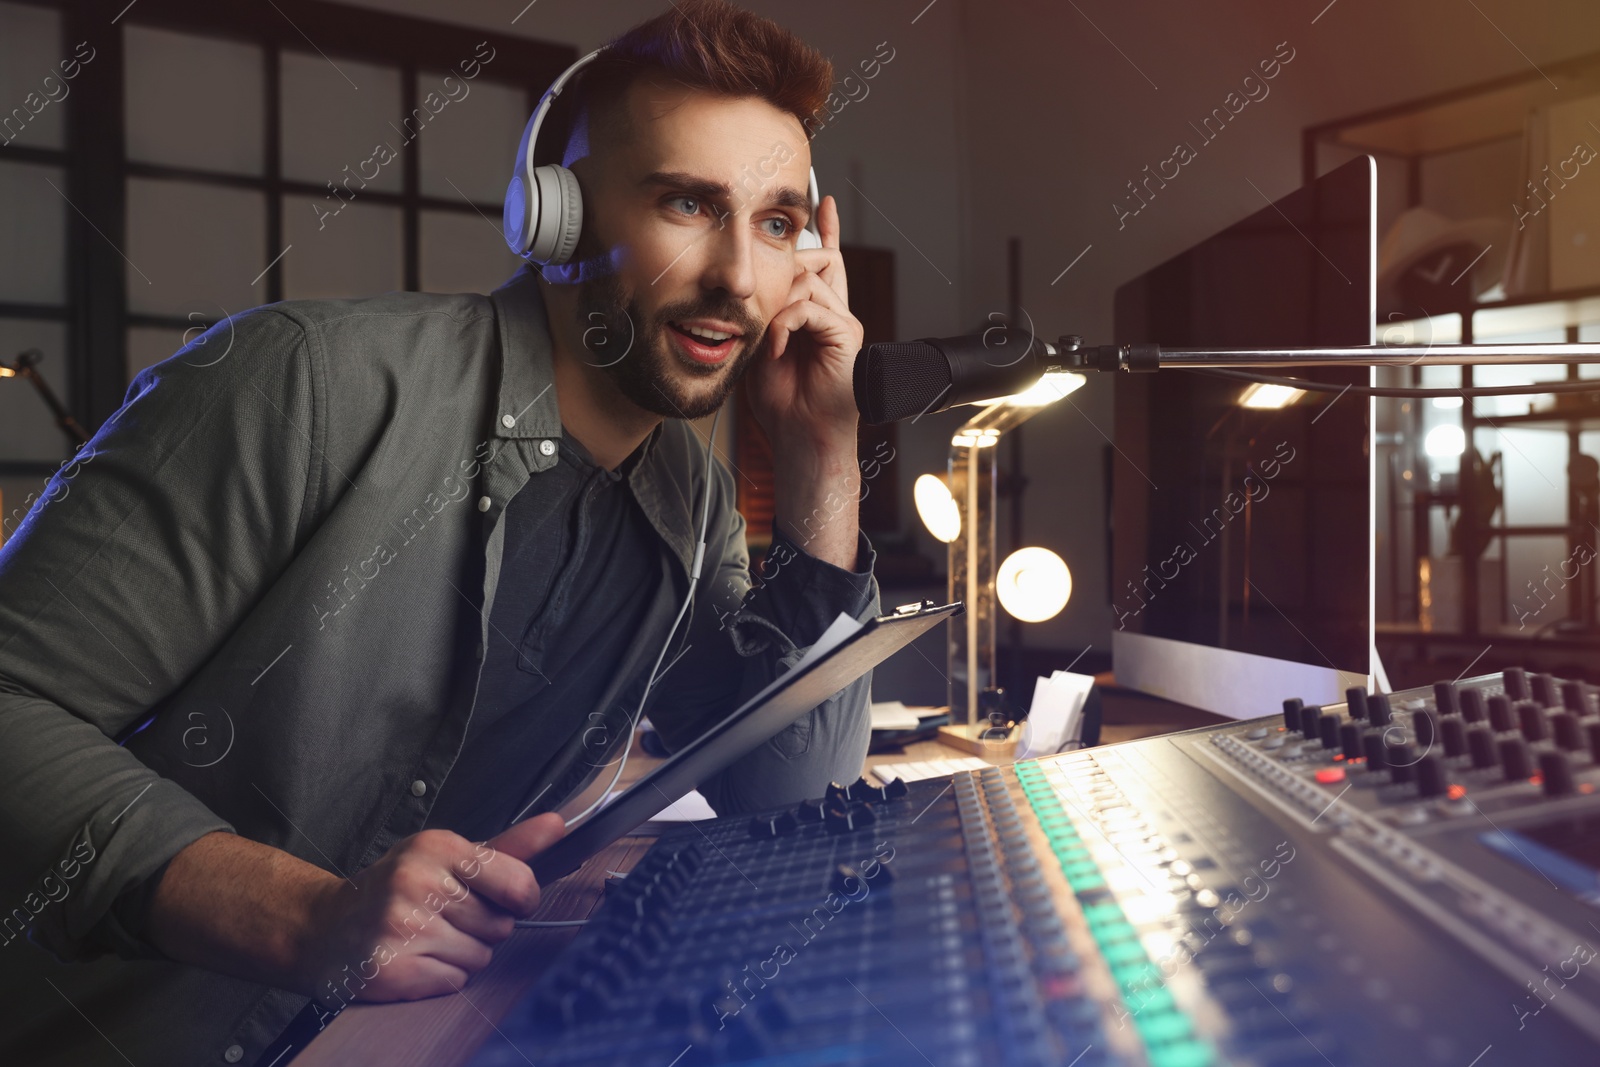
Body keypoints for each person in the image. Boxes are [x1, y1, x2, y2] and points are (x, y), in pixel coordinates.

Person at [0, 2, 879, 1063]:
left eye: (779, 222)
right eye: (687, 203)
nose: (739, 277)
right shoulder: (301, 382)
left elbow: (785, 798)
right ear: (555, 217)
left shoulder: (688, 503)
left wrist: (822, 461)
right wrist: (302, 913)